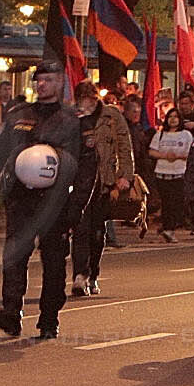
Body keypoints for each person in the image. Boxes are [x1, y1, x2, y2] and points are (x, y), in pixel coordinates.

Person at [0, 65, 83, 339]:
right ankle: (11, 313)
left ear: (60, 82)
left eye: (48, 80)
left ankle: (49, 319)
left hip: (55, 201)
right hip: (21, 197)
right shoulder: (19, 115)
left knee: (54, 261)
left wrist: (77, 205)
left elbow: (84, 165)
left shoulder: (72, 120)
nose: (42, 84)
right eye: (39, 80)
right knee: (14, 256)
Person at [69, 77, 137, 297]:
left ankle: (93, 274)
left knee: (97, 232)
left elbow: (124, 146)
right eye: (81, 99)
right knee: (80, 229)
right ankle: (79, 276)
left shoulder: (111, 116)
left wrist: (125, 175)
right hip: (80, 181)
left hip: (104, 182)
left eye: (88, 99)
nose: (84, 103)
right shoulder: (72, 118)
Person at [147, 86, 194, 241]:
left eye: (176, 117)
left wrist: (177, 156)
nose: (173, 120)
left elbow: (191, 153)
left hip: (179, 173)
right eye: (170, 117)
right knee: (166, 202)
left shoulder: (186, 135)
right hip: (162, 173)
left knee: (177, 202)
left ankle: (172, 226)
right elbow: (151, 151)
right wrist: (165, 155)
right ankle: (168, 228)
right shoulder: (160, 134)